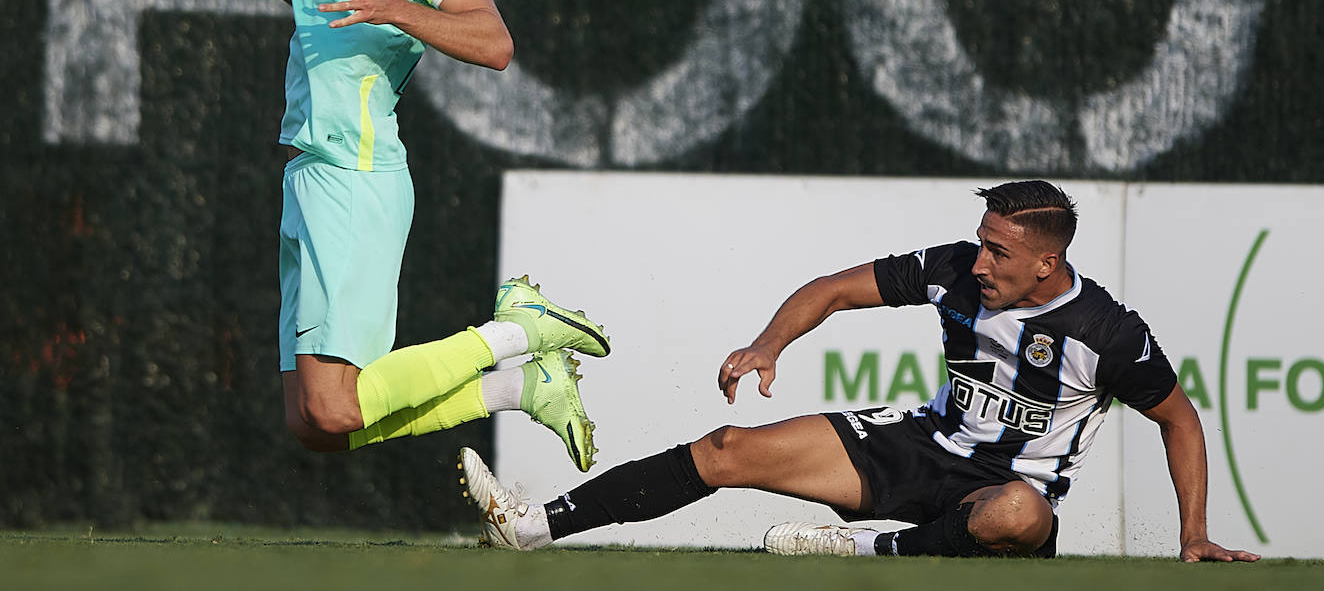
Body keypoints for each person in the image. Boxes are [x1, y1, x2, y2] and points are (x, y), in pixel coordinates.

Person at [459, 180, 1259, 560]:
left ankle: (872, 550)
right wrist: (769, 344)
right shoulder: (953, 267)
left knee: (1016, 514)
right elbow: (836, 288)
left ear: (1048, 263)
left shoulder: (1107, 331)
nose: (979, 258)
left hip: (1005, 494)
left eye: (999, 250)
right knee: (729, 445)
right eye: (980, 240)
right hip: (917, 443)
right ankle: (530, 525)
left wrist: (1193, 533)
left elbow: (1180, 421)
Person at [201, 0, 609, 471]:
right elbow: (322, 1)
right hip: (309, 170)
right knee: (312, 422)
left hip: (355, 174)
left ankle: (516, 334)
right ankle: (521, 387)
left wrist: (395, 7)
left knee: (334, 405)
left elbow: (495, 41)